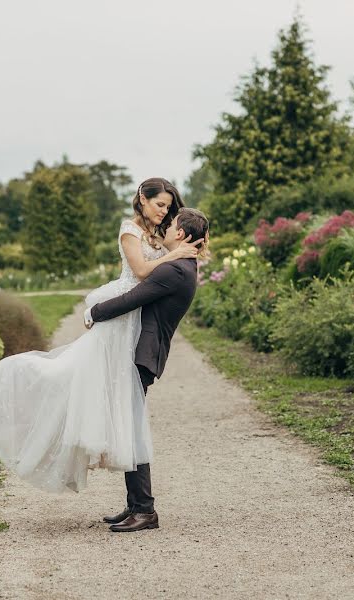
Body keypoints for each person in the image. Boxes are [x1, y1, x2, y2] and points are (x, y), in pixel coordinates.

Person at [0, 177, 203, 506]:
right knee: (76, 382)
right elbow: (140, 272)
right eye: (159, 205)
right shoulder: (131, 229)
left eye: (168, 207)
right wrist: (174, 253)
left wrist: (182, 248)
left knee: (123, 410)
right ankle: (136, 503)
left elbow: (172, 263)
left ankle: (139, 505)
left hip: (133, 324)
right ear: (142, 197)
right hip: (121, 318)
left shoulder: (163, 238)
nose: (163, 212)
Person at [86, 205, 209, 532]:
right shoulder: (184, 266)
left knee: (132, 427)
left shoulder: (176, 270)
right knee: (129, 423)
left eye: (172, 226)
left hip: (143, 354)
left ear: (181, 234)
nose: (165, 228)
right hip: (143, 351)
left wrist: (93, 312)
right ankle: (134, 505)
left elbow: (132, 298)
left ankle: (145, 510)